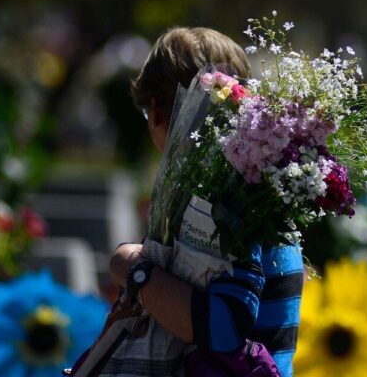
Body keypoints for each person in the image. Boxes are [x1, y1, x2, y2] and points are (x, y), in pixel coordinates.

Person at [108, 27, 302, 376]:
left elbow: (225, 329)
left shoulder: (231, 201)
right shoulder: (250, 190)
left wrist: (134, 269)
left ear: (156, 113)